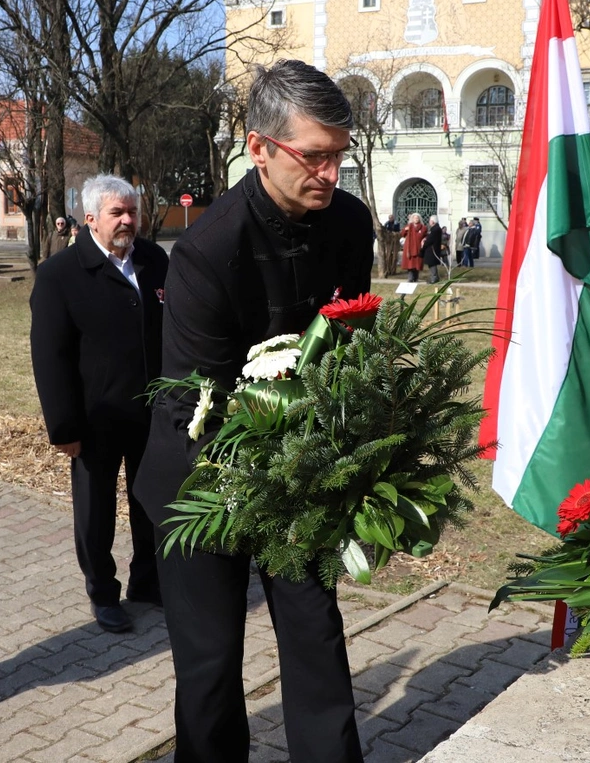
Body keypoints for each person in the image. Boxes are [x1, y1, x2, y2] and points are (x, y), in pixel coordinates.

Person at [135, 59, 371, 763]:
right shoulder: (208, 250)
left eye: (339, 155)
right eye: (314, 156)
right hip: (198, 477)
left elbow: (347, 350)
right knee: (209, 668)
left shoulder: (350, 224)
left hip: (294, 476)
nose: (330, 174)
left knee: (316, 638)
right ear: (259, 146)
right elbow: (193, 405)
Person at [31, 176, 166, 634]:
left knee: (151, 502)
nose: (128, 220)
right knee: (96, 512)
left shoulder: (154, 261)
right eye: (117, 213)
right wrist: (63, 426)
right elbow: (50, 357)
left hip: (152, 414)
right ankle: (103, 593)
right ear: (90, 218)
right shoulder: (59, 275)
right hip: (95, 420)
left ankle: (147, 582)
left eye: (132, 211)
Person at [401, 212, 426, 282]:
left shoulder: (423, 227)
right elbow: (402, 234)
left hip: (418, 248)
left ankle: (416, 277)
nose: (416, 219)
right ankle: (410, 278)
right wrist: (405, 230)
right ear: (412, 219)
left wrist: (424, 240)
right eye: (415, 218)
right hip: (409, 248)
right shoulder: (409, 226)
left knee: (417, 264)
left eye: (417, 218)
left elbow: (425, 235)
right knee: (410, 264)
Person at [423, 214, 444, 284]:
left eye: (430, 220)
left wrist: (425, 242)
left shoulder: (436, 229)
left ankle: (434, 278)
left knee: (432, 264)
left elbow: (430, 239)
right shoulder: (435, 229)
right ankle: (435, 277)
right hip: (433, 249)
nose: (429, 222)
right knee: (431, 264)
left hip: (432, 249)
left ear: (433, 221)